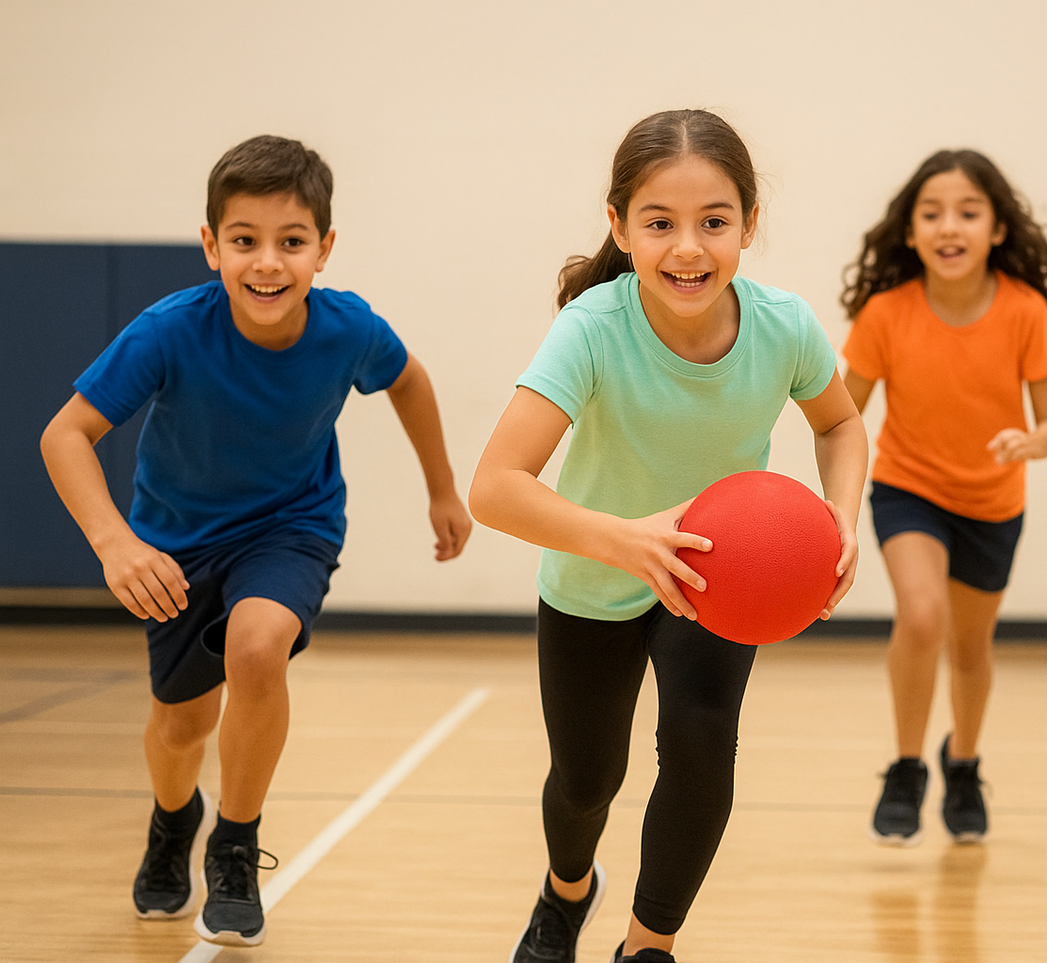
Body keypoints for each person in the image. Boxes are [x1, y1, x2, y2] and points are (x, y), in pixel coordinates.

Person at [39, 135, 473, 947]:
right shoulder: (168, 331)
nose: (267, 262)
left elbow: (408, 379)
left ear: (324, 249)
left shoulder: (347, 329)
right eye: (244, 240)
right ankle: (175, 821)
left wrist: (441, 488)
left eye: (291, 241)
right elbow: (66, 434)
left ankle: (234, 846)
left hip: (291, 526)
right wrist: (113, 543)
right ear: (211, 245)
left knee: (259, 646)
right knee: (181, 726)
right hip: (177, 544)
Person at [469, 109, 868, 963]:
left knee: (698, 746)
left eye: (713, 223)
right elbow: (494, 489)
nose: (687, 248)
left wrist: (841, 516)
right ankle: (564, 891)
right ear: (619, 225)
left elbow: (840, 425)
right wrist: (623, 540)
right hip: (592, 581)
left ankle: (648, 944)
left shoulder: (784, 325)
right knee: (586, 781)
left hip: (714, 587)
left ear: (748, 225)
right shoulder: (593, 328)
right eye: (659, 223)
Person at [840, 149, 1047, 846]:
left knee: (970, 646)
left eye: (968, 212)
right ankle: (907, 766)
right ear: (909, 231)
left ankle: (964, 763)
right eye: (932, 212)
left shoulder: (1025, 311)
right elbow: (839, 414)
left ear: (997, 229)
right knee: (920, 616)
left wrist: (1034, 443)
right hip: (907, 489)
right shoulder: (885, 314)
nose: (950, 226)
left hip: (991, 501)